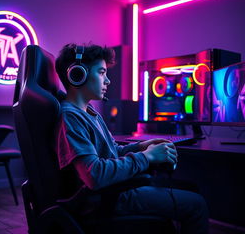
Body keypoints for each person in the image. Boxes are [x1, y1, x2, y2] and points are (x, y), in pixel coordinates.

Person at [55, 43, 209, 234]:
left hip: (115, 191)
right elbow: (93, 175)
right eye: (102, 72)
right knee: (197, 205)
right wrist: (147, 157)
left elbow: (113, 152)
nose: (108, 81)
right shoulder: (71, 116)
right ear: (78, 74)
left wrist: (143, 146)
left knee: (191, 189)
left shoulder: (90, 112)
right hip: (107, 199)